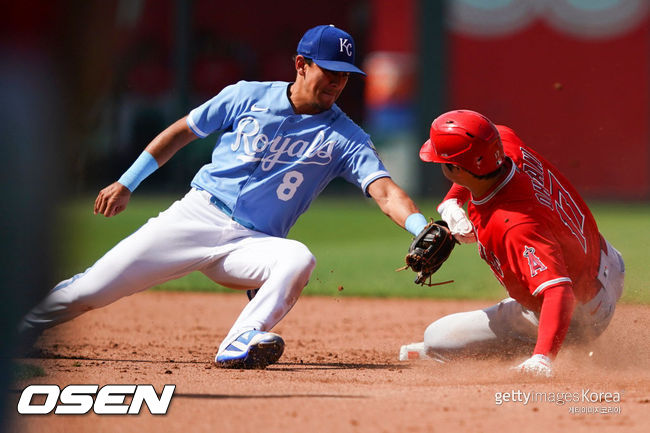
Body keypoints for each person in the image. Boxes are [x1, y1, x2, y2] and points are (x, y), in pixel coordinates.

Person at [18, 25, 430, 369]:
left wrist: (420, 227)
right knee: (92, 291)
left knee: (298, 257)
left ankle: (239, 340)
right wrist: (127, 182)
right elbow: (183, 131)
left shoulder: (346, 137)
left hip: (252, 244)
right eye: (330, 70)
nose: (338, 81)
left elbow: (385, 190)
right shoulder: (246, 96)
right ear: (301, 65)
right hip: (196, 216)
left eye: (345, 74)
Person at [399, 110, 625, 377]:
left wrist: (543, 359)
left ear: (456, 168)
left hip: (582, 314)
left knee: (437, 338)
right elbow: (480, 150)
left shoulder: (513, 224)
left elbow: (559, 292)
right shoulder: (504, 146)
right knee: (538, 274)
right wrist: (452, 201)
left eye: (442, 162)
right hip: (608, 263)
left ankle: (539, 347)